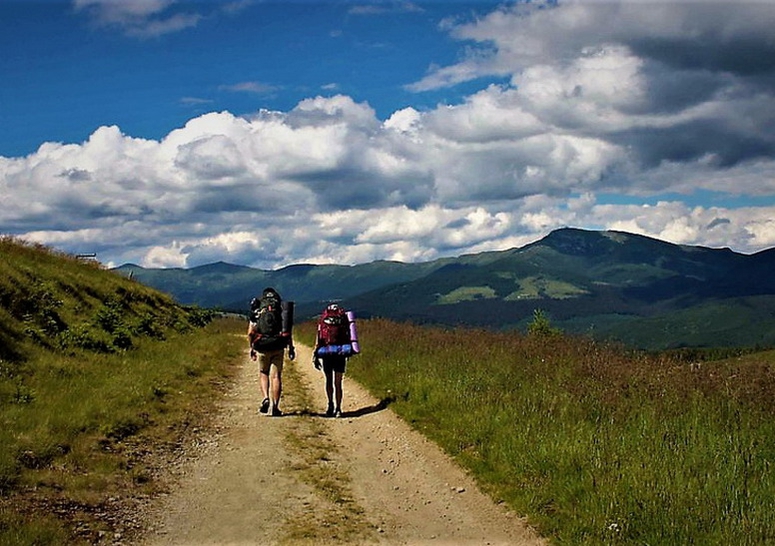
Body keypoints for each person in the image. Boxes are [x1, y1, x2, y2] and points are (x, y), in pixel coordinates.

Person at [247, 287, 295, 416]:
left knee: (264, 373)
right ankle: (275, 406)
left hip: (262, 346)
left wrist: (251, 348)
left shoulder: (257, 311)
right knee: (276, 376)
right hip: (278, 346)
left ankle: (265, 398)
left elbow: (251, 332)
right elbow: (287, 331)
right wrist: (291, 347)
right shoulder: (280, 311)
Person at [312, 303, 356, 418]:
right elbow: (349, 336)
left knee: (328, 381)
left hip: (327, 353)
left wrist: (315, 354)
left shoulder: (323, 319)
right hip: (340, 353)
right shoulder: (343, 319)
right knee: (338, 383)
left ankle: (330, 404)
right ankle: (338, 408)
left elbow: (319, 338)